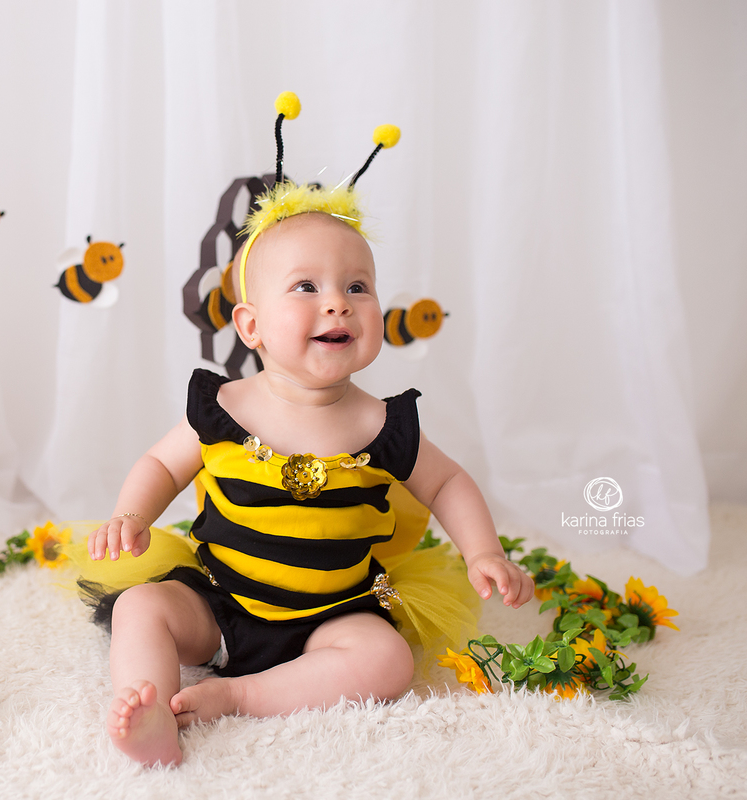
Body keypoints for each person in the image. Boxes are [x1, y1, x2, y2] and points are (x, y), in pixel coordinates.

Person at [84, 152, 535, 766]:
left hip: (332, 613)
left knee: (388, 660)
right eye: (306, 287)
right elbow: (162, 465)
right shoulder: (226, 408)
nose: (338, 304)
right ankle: (152, 713)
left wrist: (484, 551)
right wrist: (130, 515)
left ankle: (240, 695)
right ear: (251, 325)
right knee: (141, 607)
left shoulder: (380, 423)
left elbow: (447, 482)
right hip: (220, 598)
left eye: (358, 287)